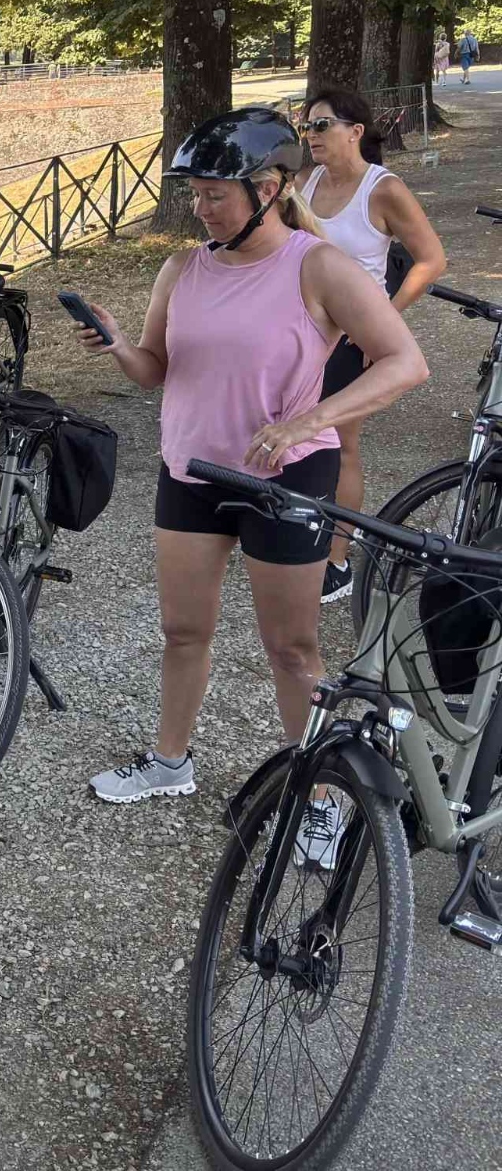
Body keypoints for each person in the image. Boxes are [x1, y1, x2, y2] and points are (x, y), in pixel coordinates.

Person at [75, 109, 426, 862]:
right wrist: (115, 342)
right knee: (183, 631)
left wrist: (310, 423)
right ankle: (171, 761)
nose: (199, 210)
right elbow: (156, 371)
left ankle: (322, 797)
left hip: (286, 477)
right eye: (194, 195)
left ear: (271, 188)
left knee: (293, 646)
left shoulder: (317, 266)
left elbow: (404, 363)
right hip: (193, 471)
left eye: (214, 196)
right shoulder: (185, 268)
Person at [298, 85, 447, 603]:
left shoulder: (382, 190)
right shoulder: (306, 181)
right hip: (306, 332)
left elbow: (431, 259)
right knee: (302, 436)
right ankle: (304, 532)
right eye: (306, 126)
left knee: (340, 444)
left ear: (355, 131)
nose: (310, 134)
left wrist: (382, 319)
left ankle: (336, 559)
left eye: (321, 125)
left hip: (352, 337)